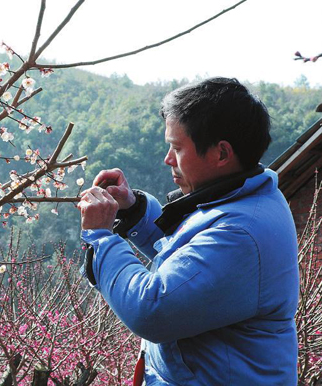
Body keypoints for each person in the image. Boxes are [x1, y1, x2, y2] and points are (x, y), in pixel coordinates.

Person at [78, 77, 299, 385]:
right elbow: (189, 261)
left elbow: (152, 310)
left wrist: (101, 239)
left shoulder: (240, 233)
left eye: (177, 148)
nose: (168, 159)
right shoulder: (243, 198)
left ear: (221, 154)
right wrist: (134, 210)